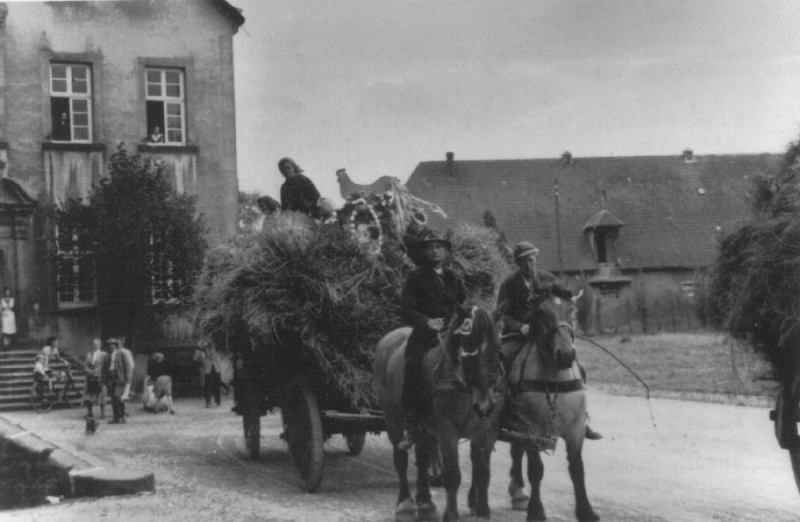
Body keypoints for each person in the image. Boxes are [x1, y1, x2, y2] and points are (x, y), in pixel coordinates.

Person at [497, 241, 602, 441]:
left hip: (546, 335)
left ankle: (582, 418)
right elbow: (503, 315)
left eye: (532, 259)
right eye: (525, 261)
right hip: (521, 336)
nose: (530, 265)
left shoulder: (547, 278)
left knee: (579, 368)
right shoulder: (509, 284)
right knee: (502, 360)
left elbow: (562, 301)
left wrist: (566, 309)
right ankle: (502, 414)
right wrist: (519, 327)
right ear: (518, 263)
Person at [397, 230, 466, 450]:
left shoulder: (453, 276)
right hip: (426, 335)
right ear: (424, 252)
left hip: (452, 332)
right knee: (413, 365)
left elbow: (462, 304)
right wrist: (427, 321)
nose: (434, 251)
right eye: (429, 247)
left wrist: (463, 320)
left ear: (445, 251)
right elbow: (405, 308)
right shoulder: (416, 277)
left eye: (438, 247)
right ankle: (412, 426)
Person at [102, 338, 134, 424]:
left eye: (112, 345)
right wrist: (102, 380)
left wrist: (128, 377)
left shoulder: (121, 354)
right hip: (110, 379)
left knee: (117, 396)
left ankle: (123, 415)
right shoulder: (107, 357)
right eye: (109, 346)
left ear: (116, 346)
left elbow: (128, 366)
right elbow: (104, 369)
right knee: (113, 398)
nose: (110, 347)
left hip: (119, 378)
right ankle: (116, 418)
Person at [194, 340, 223, 408]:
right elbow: (199, 346)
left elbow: (213, 355)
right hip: (208, 369)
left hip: (216, 369)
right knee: (208, 387)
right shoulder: (204, 349)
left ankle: (218, 401)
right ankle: (208, 402)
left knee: (216, 386)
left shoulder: (215, 348)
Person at [83, 338, 107, 419]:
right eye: (94, 344)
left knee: (101, 395)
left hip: (100, 377)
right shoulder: (88, 354)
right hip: (90, 377)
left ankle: (102, 413)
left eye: (97, 344)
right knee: (89, 395)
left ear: (100, 345)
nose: (95, 345)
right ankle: (90, 412)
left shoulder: (104, 354)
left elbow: (104, 365)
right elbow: (85, 365)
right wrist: (88, 370)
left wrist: (96, 371)